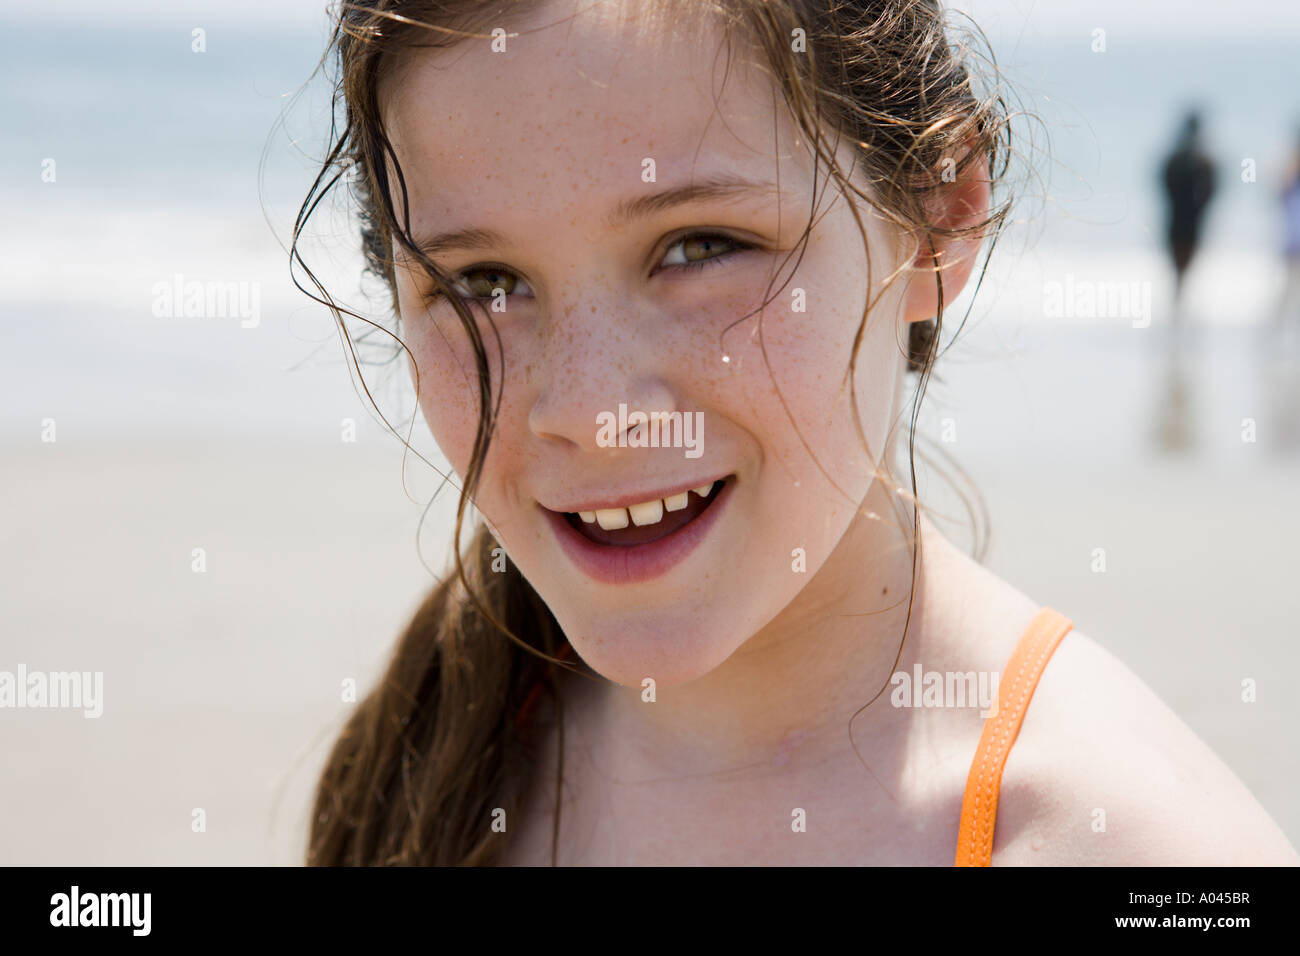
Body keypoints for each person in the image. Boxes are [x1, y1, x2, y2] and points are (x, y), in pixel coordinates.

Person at [293, 0, 1298, 866]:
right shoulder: (430, 759)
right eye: (482, 282)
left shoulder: (1136, 848)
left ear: (935, 220)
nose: (593, 413)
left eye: (701, 247)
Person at [1161, 109, 1217, 311]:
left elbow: (1165, 184)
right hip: (1188, 220)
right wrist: (1199, 207)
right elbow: (1212, 189)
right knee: (1182, 269)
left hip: (1179, 219)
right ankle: (1179, 308)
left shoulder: (1179, 159)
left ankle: (1179, 308)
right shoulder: (1201, 161)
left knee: (1180, 270)